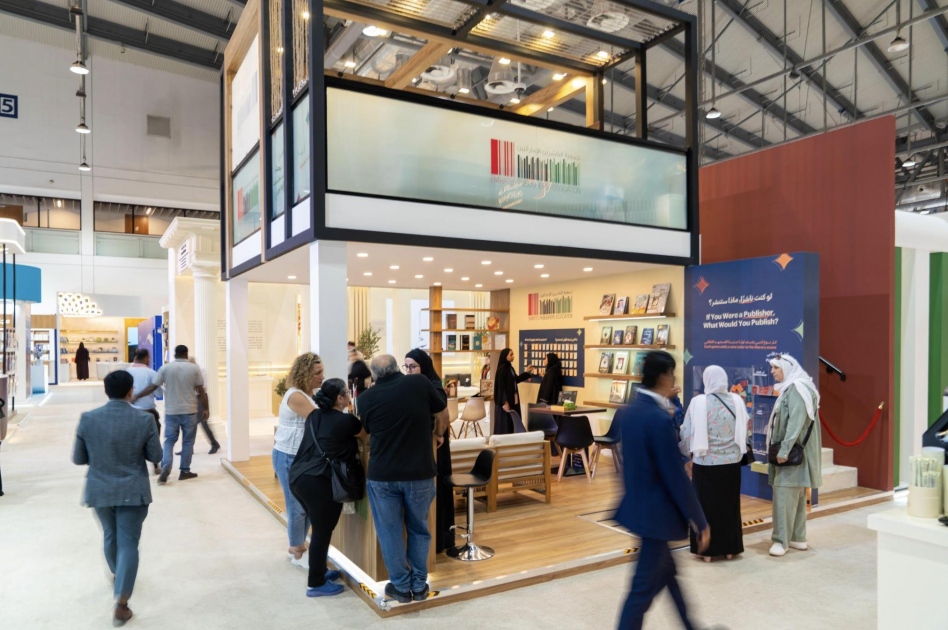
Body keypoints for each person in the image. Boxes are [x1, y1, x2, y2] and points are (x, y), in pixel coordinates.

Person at [615, 351, 709, 630]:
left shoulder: (630, 411)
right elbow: (675, 475)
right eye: (672, 374)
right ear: (664, 376)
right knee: (641, 592)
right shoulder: (658, 418)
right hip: (657, 516)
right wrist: (700, 520)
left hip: (640, 509)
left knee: (669, 576)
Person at [72, 370, 162, 627]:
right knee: (128, 543)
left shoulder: (88, 418)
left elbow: (78, 458)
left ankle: (118, 574)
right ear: (131, 391)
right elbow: (156, 456)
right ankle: (121, 603)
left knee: (110, 535)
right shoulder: (144, 419)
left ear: (106, 391)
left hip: (100, 489)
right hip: (133, 490)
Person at [357, 354, 449, 603]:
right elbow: (442, 413)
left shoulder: (365, 398)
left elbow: (365, 430)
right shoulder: (419, 383)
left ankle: (400, 585)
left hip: (383, 475)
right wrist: (438, 434)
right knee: (419, 529)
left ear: (374, 375)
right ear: (397, 368)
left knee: (389, 532)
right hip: (420, 473)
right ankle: (419, 585)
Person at [289, 379, 364, 597]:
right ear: (340, 398)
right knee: (322, 531)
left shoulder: (314, 416)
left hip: (299, 477)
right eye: (346, 393)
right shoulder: (347, 421)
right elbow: (364, 435)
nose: (349, 396)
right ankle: (315, 583)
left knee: (320, 527)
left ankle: (320, 571)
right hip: (320, 481)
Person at [679, 365, 749, 561]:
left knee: (705, 506)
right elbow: (746, 429)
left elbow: (686, 432)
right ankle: (730, 549)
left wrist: (687, 454)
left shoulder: (698, 402)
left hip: (705, 463)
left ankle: (707, 552)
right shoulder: (737, 400)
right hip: (732, 463)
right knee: (729, 505)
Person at [767, 354, 822, 557]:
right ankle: (798, 538)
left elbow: (796, 422)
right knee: (797, 496)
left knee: (783, 495)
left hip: (791, 454)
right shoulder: (797, 388)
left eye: (776, 367)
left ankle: (781, 541)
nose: (772, 371)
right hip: (798, 454)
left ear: (787, 368)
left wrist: (784, 450)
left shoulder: (797, 389)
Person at [274, 352, 324, 570]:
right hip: (289, 456)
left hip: (303, 457)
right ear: (305, 374)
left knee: (308, 504)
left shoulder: (311, 394)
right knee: (297, 505)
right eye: (317, 373)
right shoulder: (296, 396)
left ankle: (298, 545)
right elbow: (318, 420)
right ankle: (296, 549)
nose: (322, 376)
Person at [131, 345, 208, 484]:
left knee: (169, 441)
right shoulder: (194, 368)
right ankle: (185, 471)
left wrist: (137, 396)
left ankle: (166, 467)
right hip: (190, 410)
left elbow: (152, 387)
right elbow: (201, 390)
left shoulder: (165, 368)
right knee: (188, 442)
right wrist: (206, 408)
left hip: (172, 411)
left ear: (174, 354)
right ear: (186, 354)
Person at [404, 348, 453, 553]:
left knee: (438, 490)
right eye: (406, 367)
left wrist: (438, 433)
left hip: (435, 448)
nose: (408, 371)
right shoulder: (412, 385)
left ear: (423, 367)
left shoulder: (434, 387)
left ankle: (440, 539)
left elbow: (441, 415)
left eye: (412, 367)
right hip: (423, 446)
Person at [127, 349, 162, 474]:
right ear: (146, 358)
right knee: (154, 438)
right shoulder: (151, 373)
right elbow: (159, 393)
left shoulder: (127, 372)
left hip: (131, 411)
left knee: (133, 439)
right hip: (148, 411)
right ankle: (156, 465)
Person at [493, 348, 535, 434]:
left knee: (512, 422)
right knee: (505, 423)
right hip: (506, 402)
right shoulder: (502, 370)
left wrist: (527, 372)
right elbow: (501, 387)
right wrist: (504, 401)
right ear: (505, 356)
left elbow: (516, 379)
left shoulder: (510, 368)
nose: (513, 356)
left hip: (512, 400)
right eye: (511, 355)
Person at [189, 358, 220, 454]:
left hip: (201, 398)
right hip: (193, 398)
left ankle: (214, 444)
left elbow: (203, 387)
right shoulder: (190, 372)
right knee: (191, 424)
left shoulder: (202, 371)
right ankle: (189, 447)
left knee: (203, 422)